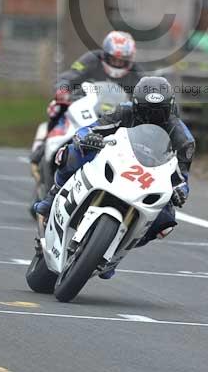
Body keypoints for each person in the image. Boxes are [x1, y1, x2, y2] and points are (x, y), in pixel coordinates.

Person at [35, 76, 195, 277]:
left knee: (166, 220)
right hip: (116, 159)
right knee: (72, 152)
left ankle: (116, 253)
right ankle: (53, 195)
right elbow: (90, 129)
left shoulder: (183, 138)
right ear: (136, 105)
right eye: (146, 110)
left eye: (159, 111)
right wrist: (87, 138)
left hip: (148, 177)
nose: (152, 116)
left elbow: (181, 176)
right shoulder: (123, 111)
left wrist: (181, 191)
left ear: (170, 108)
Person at [30, 31, 143, 169]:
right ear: (105, 55)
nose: (117, 63)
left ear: (130, 60)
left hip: (116, 112)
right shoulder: (91, 59)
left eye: (122, 60)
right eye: (113, 59)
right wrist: (63, 90)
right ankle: (42, 149)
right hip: (83, 101)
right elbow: (70, 75)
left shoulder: (136, 73)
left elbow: (142, 93)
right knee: (57, 107)